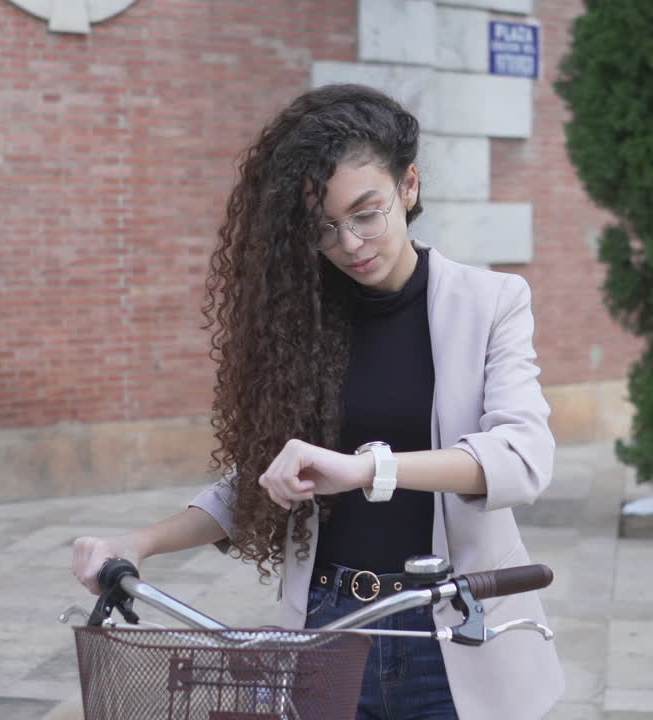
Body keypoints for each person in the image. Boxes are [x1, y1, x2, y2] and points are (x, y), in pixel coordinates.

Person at [72, 84, 564, 720]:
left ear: (408, 186)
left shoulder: (491, 303)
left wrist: (367, 469)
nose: (351, 244)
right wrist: (139, 541)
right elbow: (257, 480)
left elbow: (523, 458)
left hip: (452, 628)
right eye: (325, 228)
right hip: (329, 627)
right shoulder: (302, 321)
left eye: (367, 213)